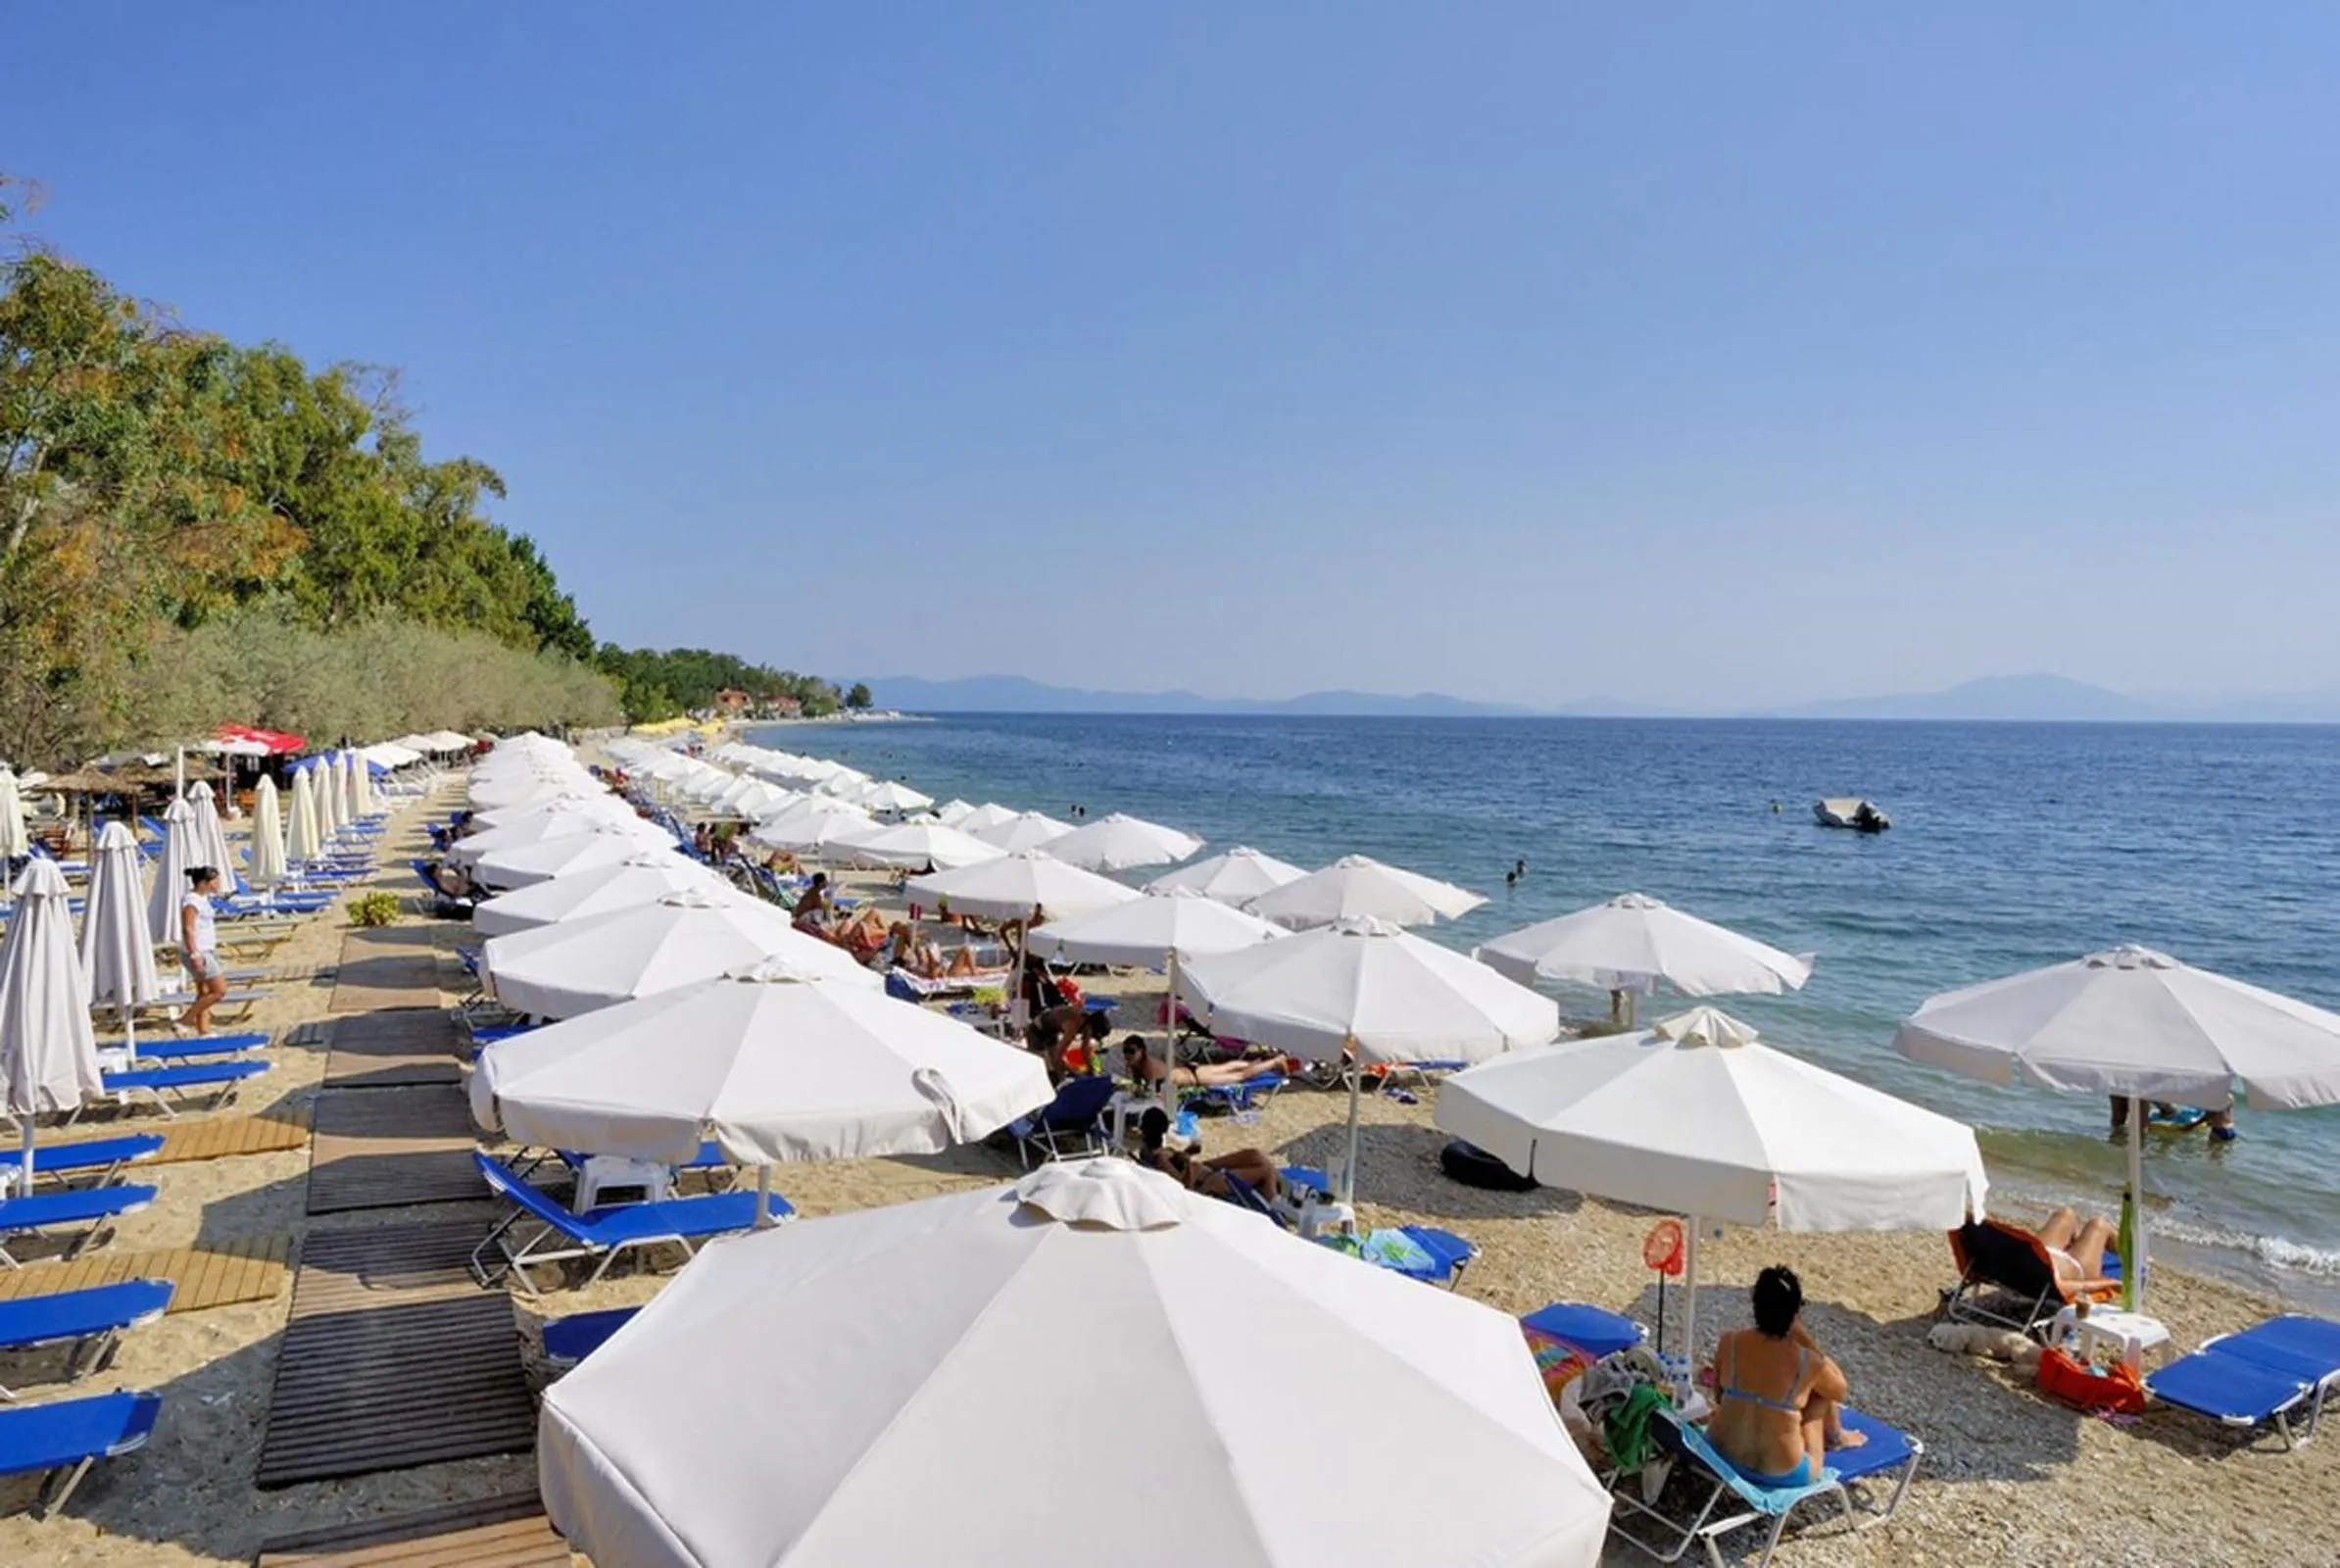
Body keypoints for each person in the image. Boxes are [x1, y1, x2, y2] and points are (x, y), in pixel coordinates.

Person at [1706, 1265, 1863, 1490]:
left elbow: (1720, 1397)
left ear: (1755, 1305)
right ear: (1794, 1313)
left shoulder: (1729, 1343)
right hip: (1781, 1473)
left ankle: (1835, 1436)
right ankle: (1837, 1437)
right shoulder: (1808, 1362)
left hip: (1721, 1454)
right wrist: (1805, 1337)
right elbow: (1840, 1390)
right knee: (1820, 1395)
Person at [1136, 1106, 1282, 1202]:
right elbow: (1181, 1185)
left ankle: (1271, 1188)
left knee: (1254, 1154)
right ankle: (1273, 1207)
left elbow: (1174, 1167)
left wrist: (1186, 1154)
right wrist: (1186, 1160)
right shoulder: (1160, 1158)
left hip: (1205, 1170)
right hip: (1207, 1183)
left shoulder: (1151, 1151)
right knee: (1265, 1170)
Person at [1121, 1035, 1286, 1092]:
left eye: (1131, 1052)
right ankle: (1259, 1061)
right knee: (1228, 1066)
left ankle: (1274, 1062)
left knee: (1239, 1075)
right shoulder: (1142, 1064)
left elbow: (1159, 1093)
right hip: (1192, 1070)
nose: (1127, 1055)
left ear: (1142, 1051)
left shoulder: (1151, 1068)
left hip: (1196, 1078)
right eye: (1126, 1051)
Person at [177, 866, 228, 1037]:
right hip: (199, 952)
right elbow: (188, 929)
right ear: (203, 883)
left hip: (205, 950)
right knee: (219, 991)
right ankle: (183, 1021)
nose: (218, 884)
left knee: (204, 992)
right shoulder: (191, 901)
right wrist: (195, 954)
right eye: (215, 881)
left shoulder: (202, 899)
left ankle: (203, 1030)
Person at [2036, 1205, 2121, 1292]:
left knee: (2065, 1213)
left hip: (2044, 1252)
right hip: (2075, 1268)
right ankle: (2129, 1254)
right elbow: (2068, 1286)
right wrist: (2111, 1283)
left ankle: (2078, 1242)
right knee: (2099, 1225)